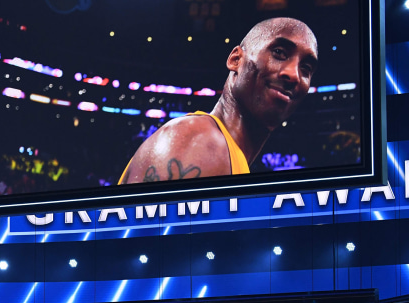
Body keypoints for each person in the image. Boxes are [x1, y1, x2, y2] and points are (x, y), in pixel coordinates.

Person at [119, 17, 318, 184]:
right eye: (279, 53)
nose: (294, 75)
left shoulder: (228, 155)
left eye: (306, 69)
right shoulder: (201, 142)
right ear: (235, 60)